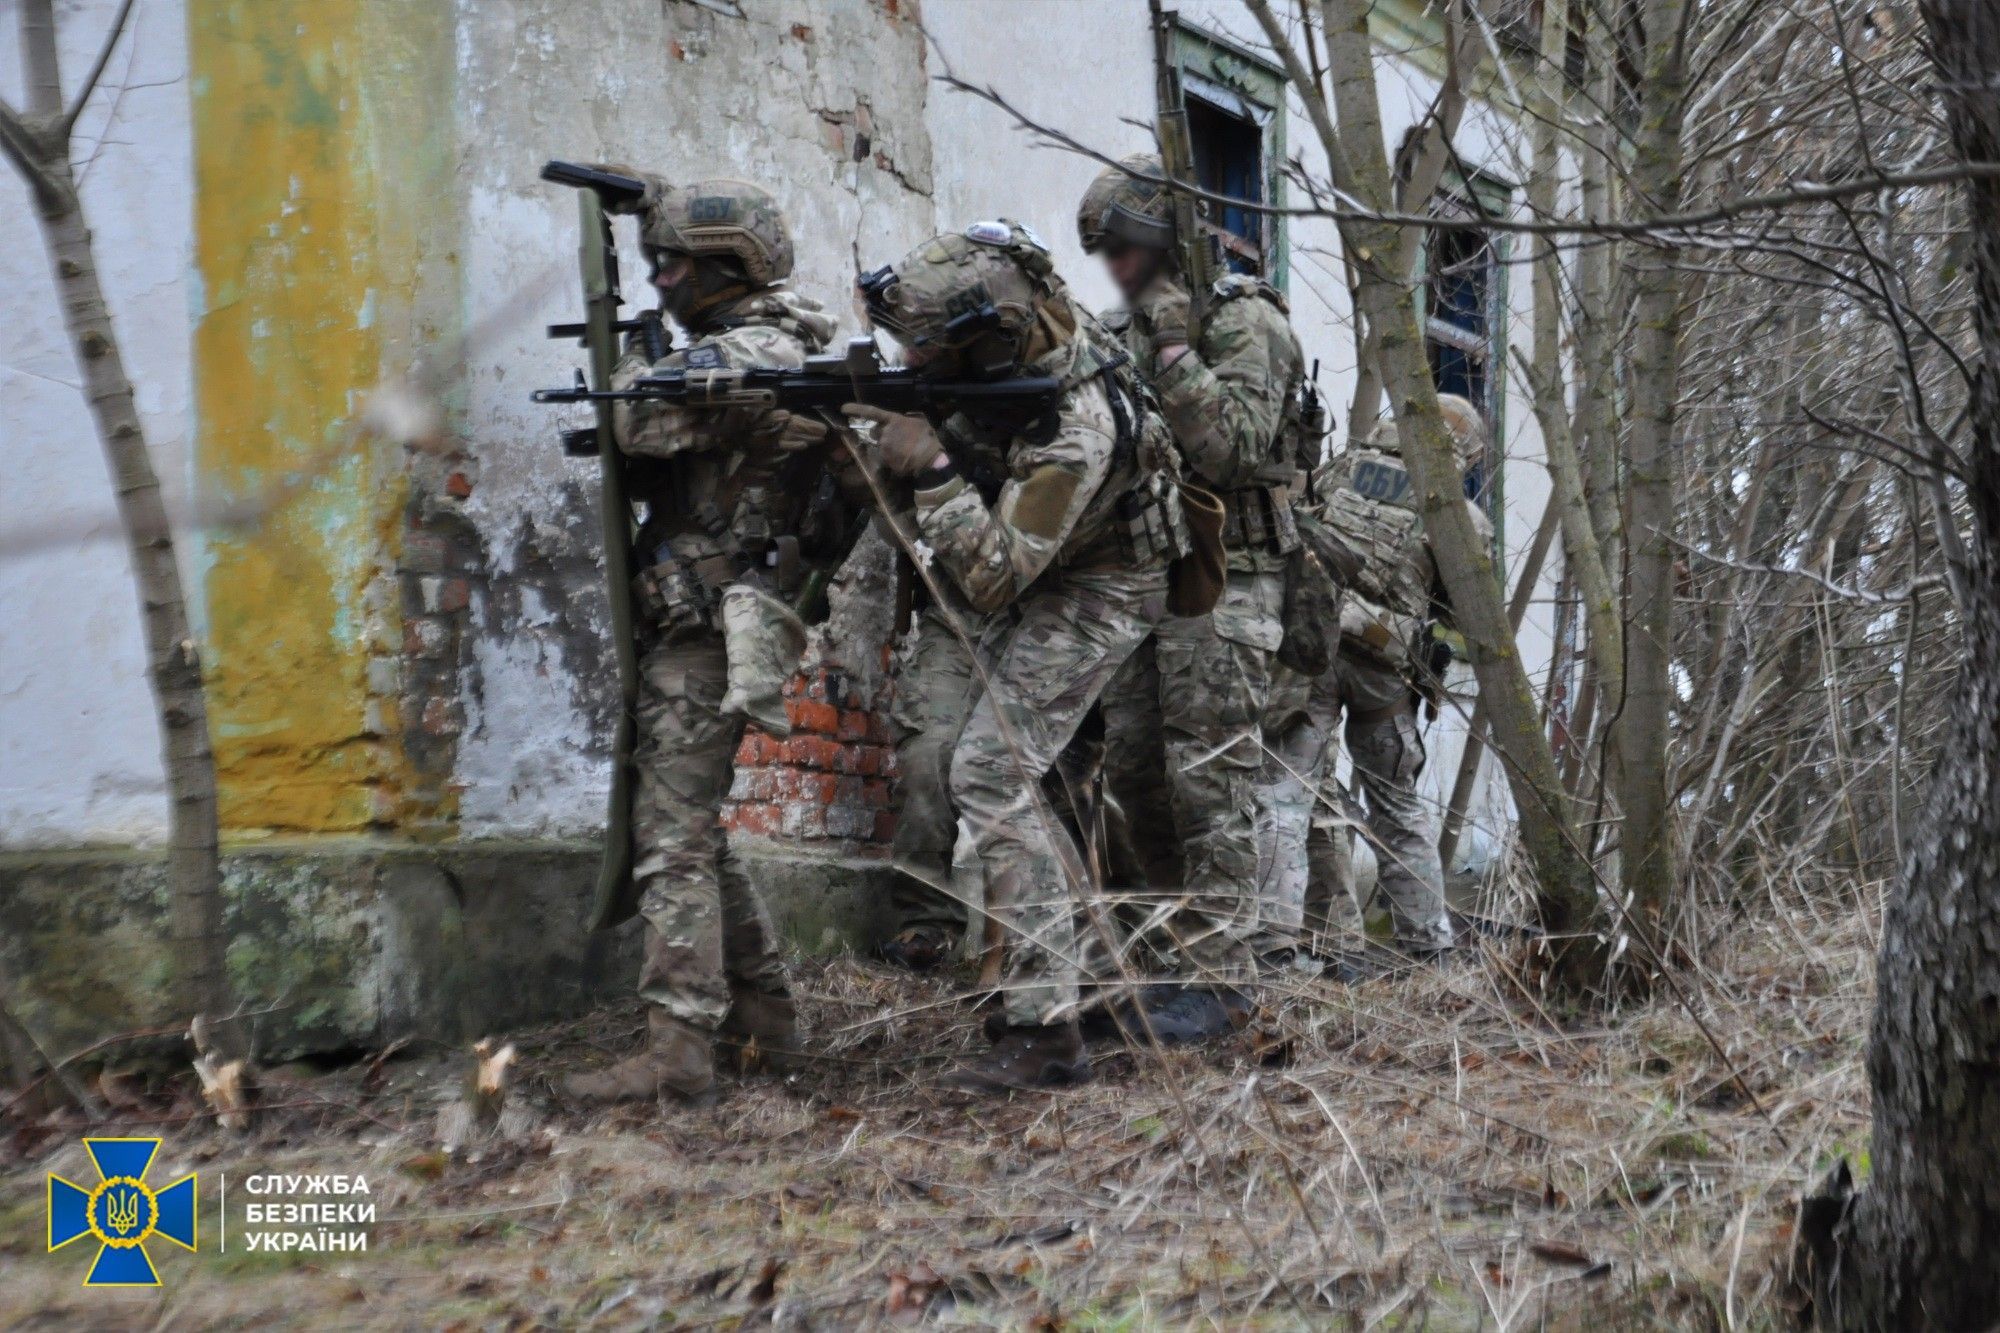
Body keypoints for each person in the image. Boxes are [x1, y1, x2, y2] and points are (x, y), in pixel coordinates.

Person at [846, 220, 1191, 1092]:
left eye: (930, 352)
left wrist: (930, 468)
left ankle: (1045, 1032)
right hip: (1053, 563)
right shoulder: (1018, 339)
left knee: (994, 774)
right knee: (1008, 770)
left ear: (989, 337)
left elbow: (998, 575)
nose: (916, 365)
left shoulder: (1076, 423)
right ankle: (1100, 982)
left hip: (1106, 581)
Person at [565, 177, 853, 1104]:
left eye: (680, 262)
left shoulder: (753, 352)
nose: (665, 278)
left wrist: (630, 368)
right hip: (710, 615)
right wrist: (648, 198)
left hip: (710, 624)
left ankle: (678, 1051)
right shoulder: (760, 341)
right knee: (691, 831)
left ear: (730, 267)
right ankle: (766, 1019)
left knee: (672, 839)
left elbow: (637, 423)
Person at [1079, 156, 1315, 1034]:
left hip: (1232, 580)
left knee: (1210, 778)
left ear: (1166, 242)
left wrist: (1177, 349)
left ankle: (1220, 980)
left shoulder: (1243, 321)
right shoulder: (1124, 327)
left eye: (1127, 250)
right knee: (1136, 769)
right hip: (1147, 580)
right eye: (1107, 253)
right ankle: (1169, 963)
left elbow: (1239, 449)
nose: (1117, 269)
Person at [1255, 395, 1493, 965]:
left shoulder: (1340, 472)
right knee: (1399, 808)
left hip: (1312, 652)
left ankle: (1275, 950)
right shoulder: (1456, 514)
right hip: (1383, 674)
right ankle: (1429, 950)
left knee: (1284, 798)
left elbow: (1294, 532)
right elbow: (1470, 616)